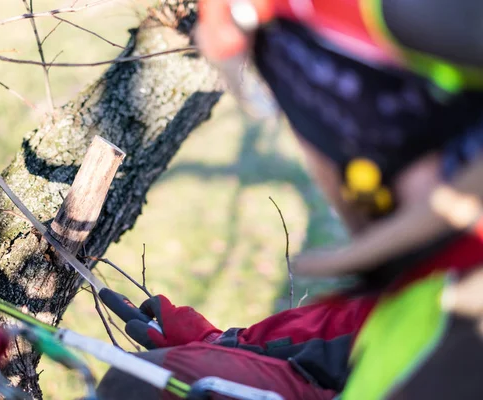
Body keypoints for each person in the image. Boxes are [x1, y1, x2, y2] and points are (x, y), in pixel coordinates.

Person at [98, 0, 483, 398]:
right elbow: (340, 339)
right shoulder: (435, 285)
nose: (318, 168)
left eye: (300, 124)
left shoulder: (461, 337)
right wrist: (231, 346)